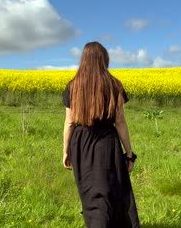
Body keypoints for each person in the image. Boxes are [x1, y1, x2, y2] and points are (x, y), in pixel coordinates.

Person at [62, 41, 140, 228]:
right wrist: (129, 154)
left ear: (84, 60)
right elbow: (120, 122)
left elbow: (70, 122)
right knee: (113, 190)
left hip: (81, 144)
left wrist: (66, 150)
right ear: (104, 60)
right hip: (107, 143)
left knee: (91, 194)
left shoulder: (73, 86)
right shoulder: (114, 85)